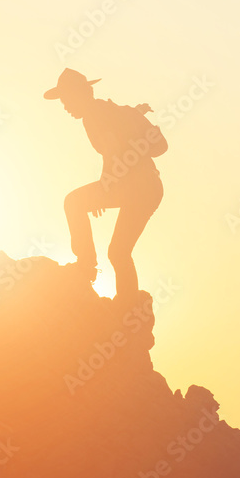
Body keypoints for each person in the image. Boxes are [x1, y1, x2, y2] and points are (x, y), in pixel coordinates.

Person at [44, 68, 167, 303]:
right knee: (119, 253)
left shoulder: (94, 116)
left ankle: (86, 265)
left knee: (73, 203)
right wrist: (105, 186)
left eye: (66, 99)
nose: (65, 106)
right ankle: (127, 306)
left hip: (135, 186)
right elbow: (133, 142)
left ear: (80, 94)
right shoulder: (112, 111)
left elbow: (111, 149)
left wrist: (106, 185)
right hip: (150, 187)